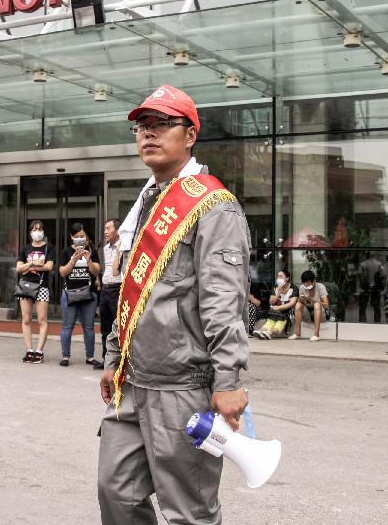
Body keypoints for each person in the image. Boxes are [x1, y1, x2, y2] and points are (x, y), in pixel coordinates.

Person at [98, 85, 250, 525]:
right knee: (117, 492)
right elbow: (133, 291)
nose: (148, 133)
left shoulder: (214, 206)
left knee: (189, 510)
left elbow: (224, 301)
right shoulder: (148, 200)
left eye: (163, 123)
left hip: (184, 385)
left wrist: (229, 380)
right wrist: (113, 356)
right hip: (134, 379)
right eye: (142, 126)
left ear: (190, 135)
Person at [58, 223, 100, 367]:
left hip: (89, 294)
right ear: (71, 237)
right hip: (70, 293)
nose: (80, 239)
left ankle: (90, 356)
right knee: (67, 326)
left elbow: (96, 272)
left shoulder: (92, 251)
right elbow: (62, 272)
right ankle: (65, 356)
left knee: (88, 327)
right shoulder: (65, 252)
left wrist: (88, 260)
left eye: (82, 236)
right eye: (76, 237)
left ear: (86, 236)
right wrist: (73, 260)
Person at [16, 220, 55, 364]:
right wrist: (33, 264)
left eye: (39, 229)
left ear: (43, 231)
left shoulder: (49, 248)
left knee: (42, 319)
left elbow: (49, 267)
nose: (37, 232)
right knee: (26, 319)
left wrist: (28, 266)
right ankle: (29, 350)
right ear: (30, 232)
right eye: (34, 229)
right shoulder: (25, 249)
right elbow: (19, 268)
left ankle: (39, 351)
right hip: (25, 285)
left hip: (41, 286)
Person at [96, 218, 122, 370]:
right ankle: (106, 360)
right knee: (105, 327)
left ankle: (119, 361)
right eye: (104, 229)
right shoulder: (105, 248)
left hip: (117, 288)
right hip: (105, 289)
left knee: (117, 325)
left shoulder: (124, 246)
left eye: (108, 228)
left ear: (117, 230)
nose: (105, 232)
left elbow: (117, 270)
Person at [254, 269, 297, 340]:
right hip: (275, 312)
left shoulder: (294, 288)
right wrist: (278, 293)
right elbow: (271, 302)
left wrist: (279, 307)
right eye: (278, 277)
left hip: (287, 312)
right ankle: (261, 331)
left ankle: (269, 333)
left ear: (287, 278)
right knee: (270, 322)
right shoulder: (275, 288)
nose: (279, 278)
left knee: (279, 324)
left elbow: (292, 303)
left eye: (281, 276)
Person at [291, 270, 329, 341]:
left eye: (308, 283)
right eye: (304, 283)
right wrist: (302, 300)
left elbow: (326, 305)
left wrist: (311, 299)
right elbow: (303, 303)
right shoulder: (302, 287)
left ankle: (316, 334)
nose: (306, 285)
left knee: (317, 304)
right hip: (308, 313)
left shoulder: (320, 287)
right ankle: (297, 333)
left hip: (320, 313)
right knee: (298, 304)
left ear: (314, 280)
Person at [357, 252, 383, 323]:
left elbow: (359, 275)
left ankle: (363, 322)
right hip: (376, 287)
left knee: (363, 307)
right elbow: (383, 275)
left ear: (366, 256)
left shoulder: (362, 264)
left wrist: (362, 283)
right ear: (374, 256)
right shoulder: (379, 264)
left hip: (365, 287)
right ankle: (377, 323)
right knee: (376, 307)